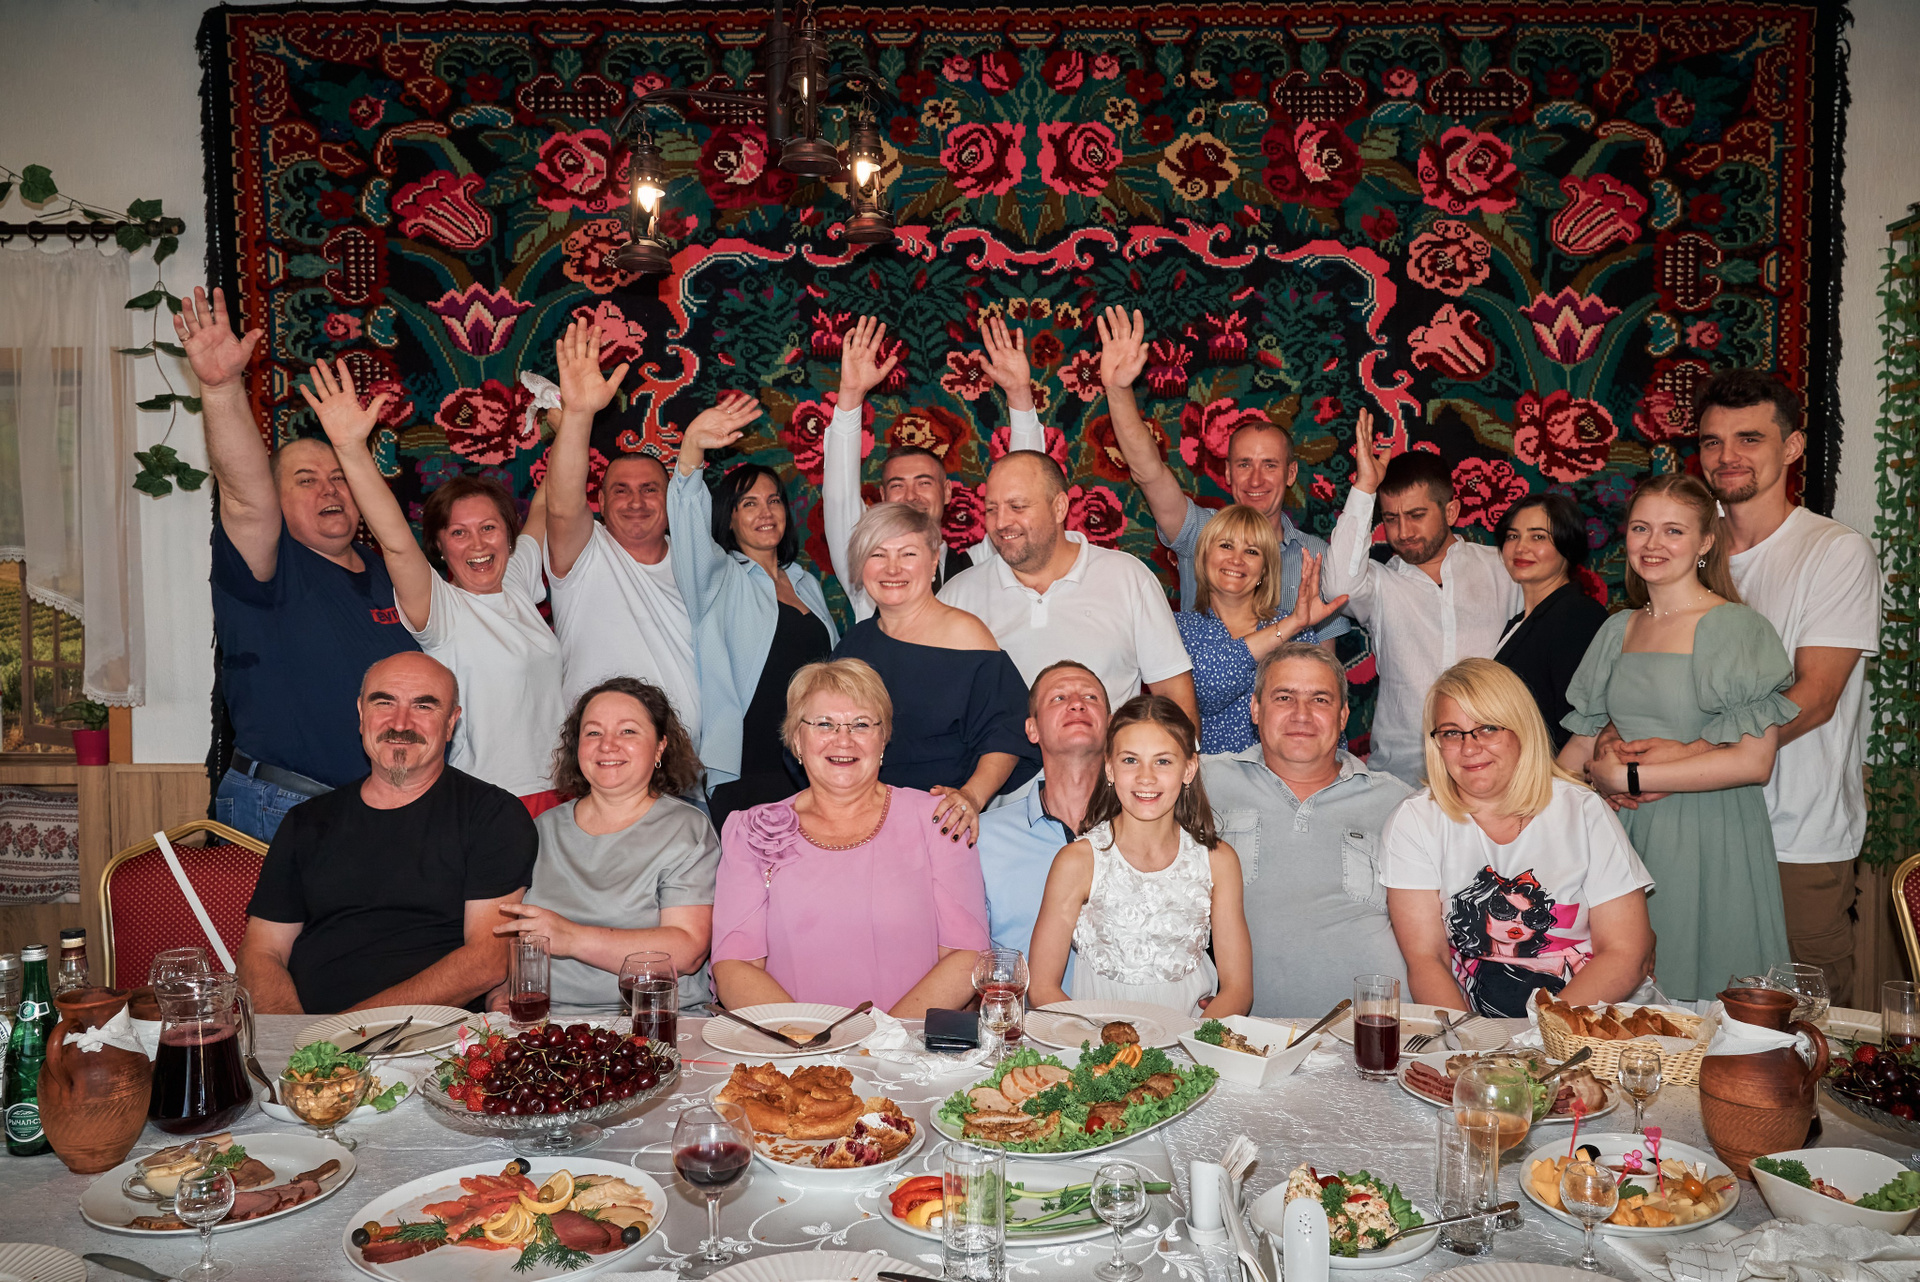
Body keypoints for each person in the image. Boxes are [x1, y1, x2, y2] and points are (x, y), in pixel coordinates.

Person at [1601, 373, 1881, 1006]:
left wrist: (1682, 758)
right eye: (1712, 441)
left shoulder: (1834, 552)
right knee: (1667, 1011)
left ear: (1792, 447)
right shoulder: (1681, 541)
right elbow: (1639, 671)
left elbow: (1816, 695)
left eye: (1749, 438)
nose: (1727, 456)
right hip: (1679, 828)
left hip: (1794, 832)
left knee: (1792, 1022)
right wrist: (1613, 754)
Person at [176, 286, 418, 843]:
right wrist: (221, 388)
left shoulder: (389, 568)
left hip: (380, 812)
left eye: (339, 478)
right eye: (305, 480)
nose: (328, 490)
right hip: (282, 811)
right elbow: (244, 496)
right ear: (278, 501)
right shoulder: (267, 565)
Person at [1558, 474, 1798, 1002]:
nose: (1653, 543)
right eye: (1641, 528)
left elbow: (1755, 761)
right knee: (1619, 1010)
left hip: (1709, 834)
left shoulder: (1735, 628)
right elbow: (1579, 747)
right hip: (1624, 837)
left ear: (1705, 541)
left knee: (1704, 1007)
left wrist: (1630, 776)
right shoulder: (1617, 629)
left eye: (1673, 530)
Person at [301, 359, 568, 813]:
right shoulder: (442, 609)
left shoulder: (517, 580)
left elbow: (544, 507)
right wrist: (349, 448)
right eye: (459, 533)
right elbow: (395, 543)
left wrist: (566, 430)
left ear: (508, 535)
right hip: (492, 799)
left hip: (561, 789)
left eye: (489, 528)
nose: (478, 544)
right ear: (440, 547)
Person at [236, 652, 536, 1014]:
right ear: (361, 714)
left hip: (429, 1037)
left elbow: (487, 960)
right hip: (305, 1035)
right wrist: (295, 1038)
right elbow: (261, 951)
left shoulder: (492, 815)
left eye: (423, 706)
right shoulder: (306, 821)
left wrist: (343, 1034)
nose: (400, 723)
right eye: (384, 703)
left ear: (451, 723)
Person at [710, 659, 989, 1017]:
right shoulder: (751, 831)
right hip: (789, 1042)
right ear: (796, 739)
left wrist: (885, 1038)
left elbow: (966, 955)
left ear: (883, 739)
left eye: (861, 725)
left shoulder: (940, 820)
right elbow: (735, 965)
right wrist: (811, 1038)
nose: (843, 739)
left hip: (908, 1043)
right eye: (824, 724)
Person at [1379, 659, 1655, 1017]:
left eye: (1487, 728)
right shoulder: (1414, 821)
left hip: (1589, 1022)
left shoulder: (1584, 812)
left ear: (1521, 730)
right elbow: (1426, 960)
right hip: (1473, 1028)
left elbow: (1625, 954)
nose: (1469, 747)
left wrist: (1538, 1037)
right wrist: (1471, 1040)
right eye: (1451, 733)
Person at [1095, 305, 1353, 643]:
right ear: (1228, 473)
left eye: (1270, 465)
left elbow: (1324, 663)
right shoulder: (1200, 531)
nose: (1256, 480)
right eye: (1244, 464)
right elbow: (1149, 473)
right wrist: (1118, 390)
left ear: (1291, 473)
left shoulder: (1315, 555)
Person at [1202, 643, 1414, 1017]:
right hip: (1246, 1033)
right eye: (1284, 697)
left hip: (1375, 1031)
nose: (1301, 714)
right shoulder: (1201, 783)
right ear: (1255, 709)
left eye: (1320, 700)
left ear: (1344, 715)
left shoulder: (1399, 803)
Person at [491, 679, 719, 1011]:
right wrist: (498, 992)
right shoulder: (539, 829)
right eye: (593, 732)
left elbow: (687, 951)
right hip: (546, 1023)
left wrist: (572, 938)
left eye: (628, 731)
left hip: (654, 1020)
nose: (607, 745)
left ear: (660, 747)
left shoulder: (687, 829)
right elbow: (505, 934)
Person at [1324, 413, 1520, 785]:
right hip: (1402, 779)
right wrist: (1365, 487)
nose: (1403, 531)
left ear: (1451, 511)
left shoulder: (1503, 569)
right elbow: (1336, 588)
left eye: (1416, 515)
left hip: (1493, 772)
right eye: (1391, 518)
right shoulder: (1380, 584)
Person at [1028, 695, 1254, 1017]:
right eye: (1131, 760)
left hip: (1193, 1038)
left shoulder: (1218, 861)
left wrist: (1196, 1039)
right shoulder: (1077, 862)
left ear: (1189, 769)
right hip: (1095, 1038)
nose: (1146, 777)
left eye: (1163, 761)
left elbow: (1238, 989)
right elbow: (1041, 987)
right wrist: (1093, 1036)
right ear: (1110, 769)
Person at [672, 396, 840, 832]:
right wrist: (691, 449)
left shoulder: (806, 582)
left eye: (773, 501)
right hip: (747, 770)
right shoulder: (717, 579)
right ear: (728, 518)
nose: (765, 512)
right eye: (748, 503)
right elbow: (688, 527)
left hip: (813, 767)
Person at [938, 449, 1199, 727]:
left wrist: (1181, 754)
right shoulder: (957, 596)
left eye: (1017, 506)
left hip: (1107, 754)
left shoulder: (1128, 578)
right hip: (995, 756)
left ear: (1059, 507)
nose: (1001, 522)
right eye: (991, 509)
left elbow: (1174, 697)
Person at [832, 503, 1039, 844]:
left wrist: (971, 797)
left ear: (933, 563)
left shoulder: (967, 636)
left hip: (937, 826)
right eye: (878, 554)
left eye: (908, 554)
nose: (892, 568)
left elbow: (1005, 734)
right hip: (856, 825)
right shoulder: (853, 644)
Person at [544, 321, 703, 740]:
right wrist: (579, 415)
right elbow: (561, 506)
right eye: (621, 490)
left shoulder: (698, 560)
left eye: (650, 490)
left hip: (688, 765)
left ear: (671, 500)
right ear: (598, 501)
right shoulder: (585, 552)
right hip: (599, 758)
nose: (636, 502)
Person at [825, 314, 1045, 616]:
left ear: (947, 492)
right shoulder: (867, 563)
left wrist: (1019, 394)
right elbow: (838, 496)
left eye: (924, 482)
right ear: (883, 497)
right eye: (897, 485)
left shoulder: (980, 565)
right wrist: (851, 395)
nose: (911, 496)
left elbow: (1027, 483)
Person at [1175, 504, 1348, 753]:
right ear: (1203, 557)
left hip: (1283, 774)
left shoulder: (1298, 630)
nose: (1236, 559)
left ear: (1264, 571)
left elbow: (1326, 720)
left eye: (1252, 551)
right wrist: (1291, 625)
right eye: (1226, 545)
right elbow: (1206, 690)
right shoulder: (1177, 628)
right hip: (1207, 775)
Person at [978, 660, 1110, 979]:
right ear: (1032, 730)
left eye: (1090, 697)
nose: (1077, 704)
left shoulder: (1148, 830)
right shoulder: (983, 838)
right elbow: (966, 961)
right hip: (1023, 1011)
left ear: (1111, 724)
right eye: (1059, 698)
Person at [1493, 494, 1609, 752]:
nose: (1520, 547)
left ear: (1568, 545)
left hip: (1554, 769)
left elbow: (1579, 725)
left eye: (1538, 537)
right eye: (1512, 536)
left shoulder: (1578, 616)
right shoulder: (1519, 621)